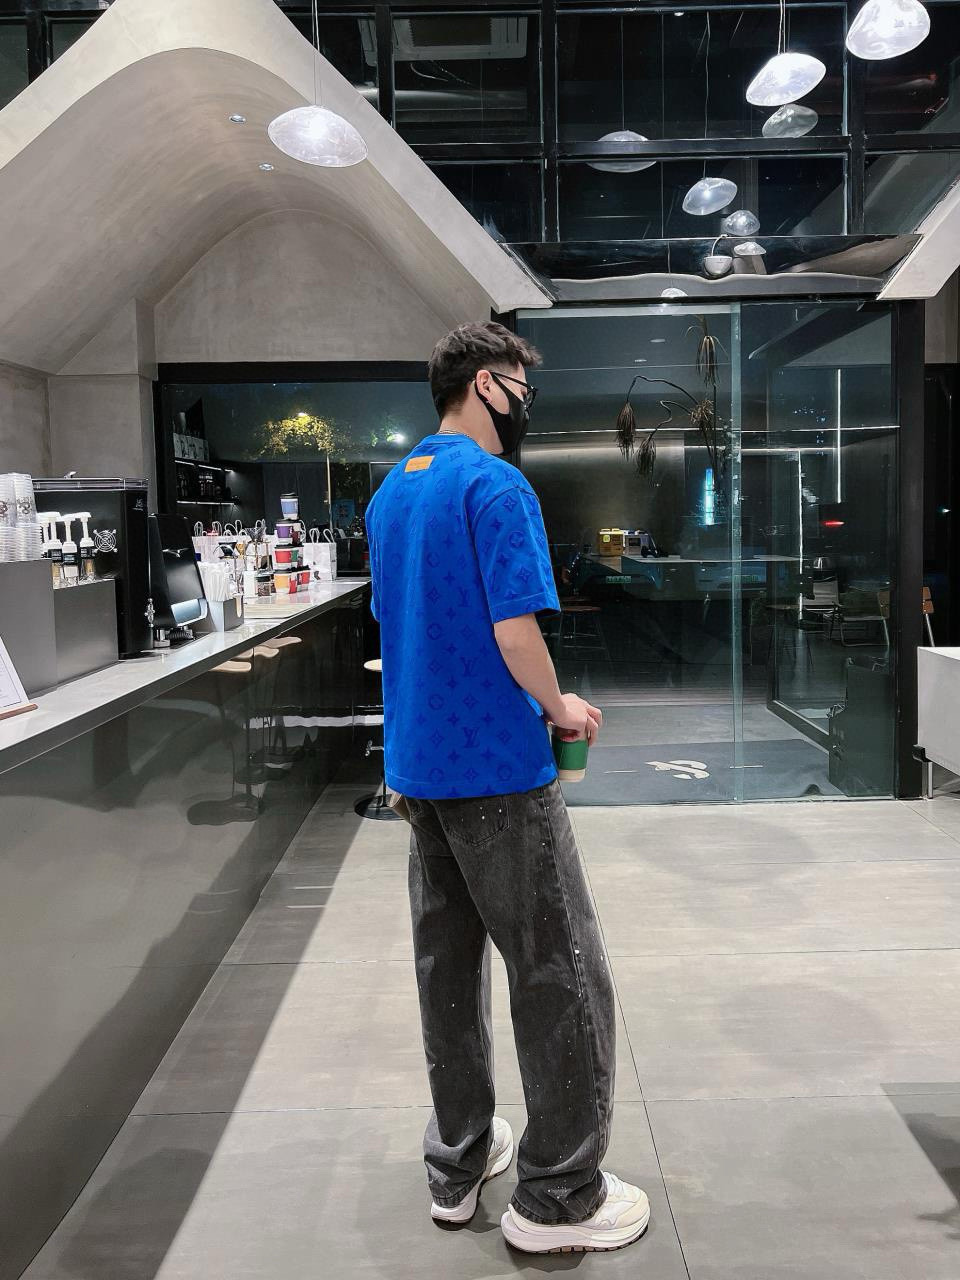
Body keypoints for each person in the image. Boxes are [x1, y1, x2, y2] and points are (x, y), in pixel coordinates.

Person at [365, 321, 650, 1255]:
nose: (529, 402)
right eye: (522, 386)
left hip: (419, 771)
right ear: (487, 384)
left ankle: (457, 1164)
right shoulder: (495, 486)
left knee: (446, 969)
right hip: (496, 771)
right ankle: (559, 1198)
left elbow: (404, 628)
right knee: (558, 971)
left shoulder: (392, 493)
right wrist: (559, 706)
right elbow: (514, 632)